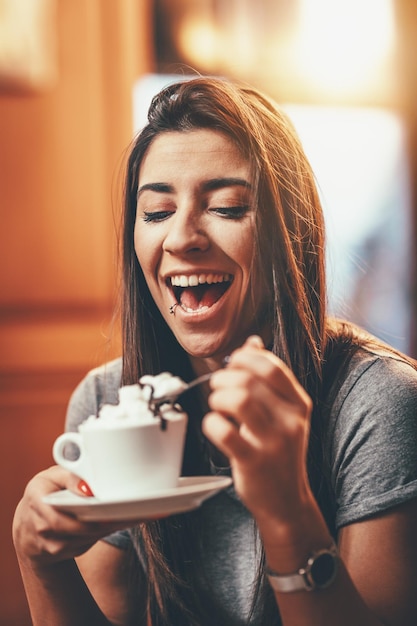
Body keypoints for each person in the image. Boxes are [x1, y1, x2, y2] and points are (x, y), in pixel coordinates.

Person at [13, 77, 417, 626]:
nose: (182, 238)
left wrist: (288, 511)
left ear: (288, 232)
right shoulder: (109, 402)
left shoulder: (380, 405)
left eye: (226, 207)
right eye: (156, 212)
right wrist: (41, 564)